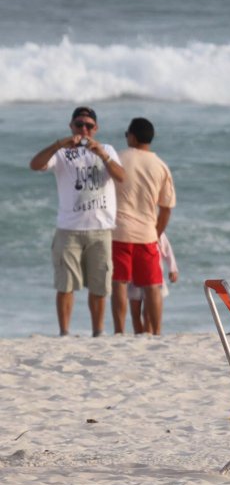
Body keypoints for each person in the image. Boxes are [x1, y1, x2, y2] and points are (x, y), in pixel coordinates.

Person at [29, 107, 126, 336]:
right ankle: (64, 332)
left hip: (100, 228)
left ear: (96, 128)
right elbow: (34, 165)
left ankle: (98, 331)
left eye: (89, 126)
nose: (84, 130)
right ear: (71, 126)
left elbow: (122, 177)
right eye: (79, 125)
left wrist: (102, 154)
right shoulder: (61, 153)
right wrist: (58, 145)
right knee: (65, 285)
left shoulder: (108, 149)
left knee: (100, 286)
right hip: (69, 229)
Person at [111, 117, 176, 336]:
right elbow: (166, 208)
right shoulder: (160, 166)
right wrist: (156, 233)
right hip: (147, 233)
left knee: (119, 282)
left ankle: (119, 331)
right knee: (152, 285)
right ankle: (156, 332)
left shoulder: (118, 158)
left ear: (132, 136)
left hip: (118, 230)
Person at [127, 232, 178, 334]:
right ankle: (139, 336)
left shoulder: (156, 230)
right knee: (135, 313)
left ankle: (150, 336)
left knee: (147, 313)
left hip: (153, 277)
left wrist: (172, 269)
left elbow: (167, 251)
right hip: (133, 278)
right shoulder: (130, 229)